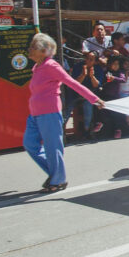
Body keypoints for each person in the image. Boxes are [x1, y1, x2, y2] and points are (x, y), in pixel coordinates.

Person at [24, 33, 104, 192]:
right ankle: (56, 174)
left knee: (52, 147)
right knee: (30, 144)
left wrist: (93, 99)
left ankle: (57, 179)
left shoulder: (51, 65)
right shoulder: (37, 67)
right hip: (35, 114)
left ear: (44, 50)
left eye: (34, 47)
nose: (30, 50)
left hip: (49, 112)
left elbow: (71, 82)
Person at [69, 51, 105, 138]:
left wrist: (92, 76)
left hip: (90, 95)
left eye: (91, 59)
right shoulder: (78, 66)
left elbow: (97, 85)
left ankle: (87, 130)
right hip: (76, 94)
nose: (88, 61)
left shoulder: (98, 69)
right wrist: (83, 75)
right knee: (68, 107)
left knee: (88, 106)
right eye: (87, 58)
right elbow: (75, 84)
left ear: (95, 61)